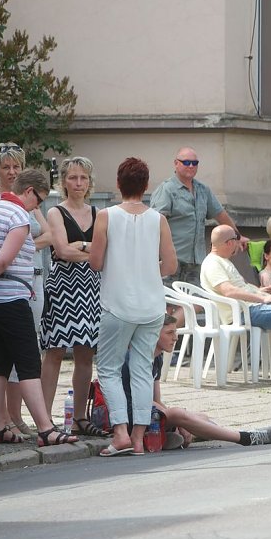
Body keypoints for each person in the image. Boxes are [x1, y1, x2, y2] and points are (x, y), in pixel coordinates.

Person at [0, 169, 78, 447]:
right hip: (11, 299)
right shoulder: (18, 217)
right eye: (39, 200)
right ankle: (46, 429)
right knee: (28, 363)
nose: (38, 207)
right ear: (28, 191)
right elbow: (4, 261)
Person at [89, 158, 177, 457]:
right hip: (151, 305)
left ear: (118, 183)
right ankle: (139, 439)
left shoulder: (106, 216)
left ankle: (120, 433)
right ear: (146, 185)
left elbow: (96, 262)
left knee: (109, 368)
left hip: (118, 304)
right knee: (142, 370)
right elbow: (171, 265)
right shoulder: (158, 219)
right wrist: (147, 272)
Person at [122, 314, 271, 450]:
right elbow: (142, 400)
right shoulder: (133, 359)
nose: (175, 337)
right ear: (152, 334)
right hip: (133, 418)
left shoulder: (157, 358)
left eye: (175, 332)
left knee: (201, 417)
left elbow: (156, 400)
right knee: (179, 414)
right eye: (170, 333)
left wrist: (177, 422)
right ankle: (244, 437)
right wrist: (177, 421)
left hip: (150, 413)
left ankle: (170, 437)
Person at [0, 142, 53, 438]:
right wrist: (22, 246)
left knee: (10, 354)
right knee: (21, 355)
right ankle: (34, 425)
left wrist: (23, 245)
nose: (11, 172)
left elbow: (50, 235)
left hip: (30, 280)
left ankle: (5, 421)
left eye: (16, 167)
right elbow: (2, 252)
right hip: (7, 285)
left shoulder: (27, 203)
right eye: (6, 167)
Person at [40, 156, 106, 437]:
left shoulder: (99, 213)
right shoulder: (56, 212)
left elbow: (105, 251)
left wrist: (81, 246)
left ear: (90, 182)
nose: (78, 183)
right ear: (63, 181)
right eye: (73, 177)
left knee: (85, 352)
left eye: (83, 178)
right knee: (55, 351)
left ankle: (79, 417)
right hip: (63, 287)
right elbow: (62, 251)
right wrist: (90, 249)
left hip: (91, 288)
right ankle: (43, 418)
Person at [201, 225, 271, 384]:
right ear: (230, 243)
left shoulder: (223, 261)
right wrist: (263, 299)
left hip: (250, 308)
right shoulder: (213, 263)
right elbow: (228, 291)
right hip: (243, 312)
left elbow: (241, 287)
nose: (239, 245)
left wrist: (261, 292)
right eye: (237, 240)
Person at [150, 147, 246, 286]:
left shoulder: (203, 190)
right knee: (168, 299)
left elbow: (220, 214)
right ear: (176, 163)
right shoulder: (166, 189)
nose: (191, 166)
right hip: (171, 260)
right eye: (186, 162)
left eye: (194, 163)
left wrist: (237, 236)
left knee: (195, 298)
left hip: (196, 262)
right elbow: (154, 223)